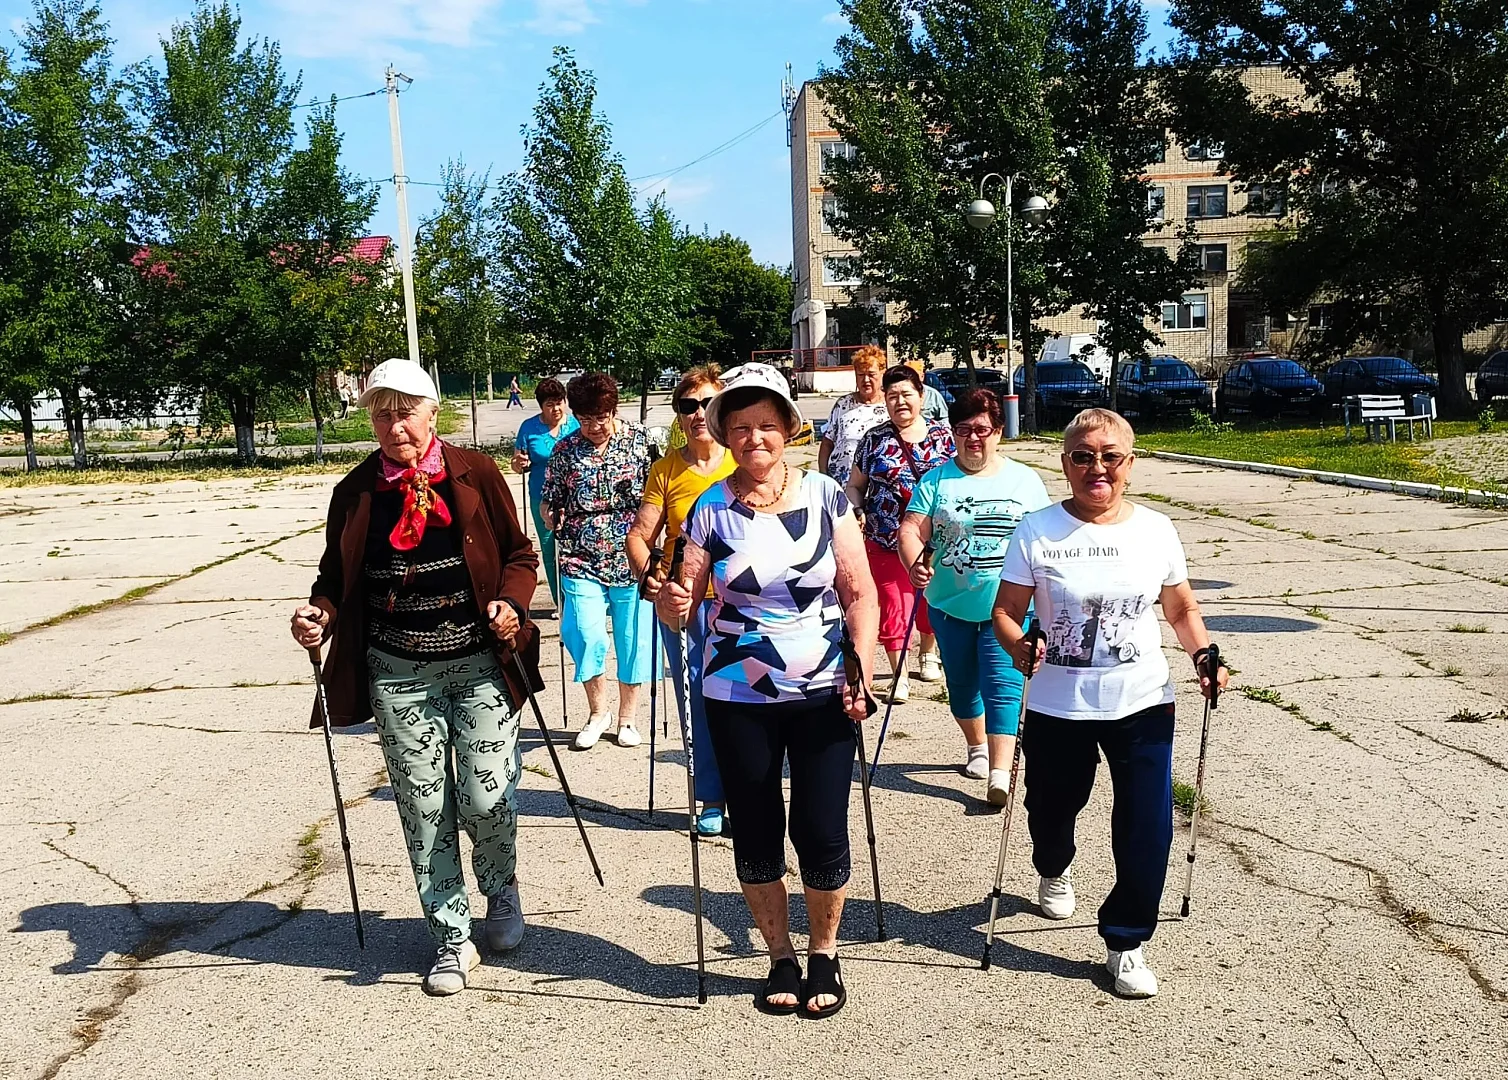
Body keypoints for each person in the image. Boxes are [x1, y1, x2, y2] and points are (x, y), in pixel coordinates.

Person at [289, 358, 540, 997]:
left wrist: (511, 603)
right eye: (382, 415)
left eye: (406, 413)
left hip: (479, 663)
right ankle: (450, 936)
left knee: (485, 797)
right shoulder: (356, 492)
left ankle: (501, 889)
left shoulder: (474, 471)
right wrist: (319, 615)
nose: (395, 426)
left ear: (432, 413)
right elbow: (333, 579)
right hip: (398, 672)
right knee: (424, 806)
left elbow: (519, 554)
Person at [657, 363, 878, 1019]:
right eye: (740, 427)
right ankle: (780, 954)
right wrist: (672, 602)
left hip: (824, 687)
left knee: (820, 826)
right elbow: (684, 598)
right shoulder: (709, 508)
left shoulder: (827, 496)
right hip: (737, 693)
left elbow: (859, 593)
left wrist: (862, 669)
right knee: (756, 829)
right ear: (725, 434)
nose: (754, 438)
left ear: (788, 428)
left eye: (766, 425)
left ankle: (824, 953)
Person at [993, 408, 1228, 1000]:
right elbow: (1005, 611)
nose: (1096, 468)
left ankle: (1126, 939)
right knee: (1051, 810)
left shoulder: (1156, 529)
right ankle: (1052, 865)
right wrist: (1020, 646)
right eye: (1083, 456)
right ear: (1065, 462)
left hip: (1142, 701)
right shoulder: (1037, 530)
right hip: (1058, 705)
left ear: (1130, 463)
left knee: (1148, 823)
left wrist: (1203, 656)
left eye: (1110, 456)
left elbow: (1180, 609)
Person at [898, 388, 1050, 803]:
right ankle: (977, 746)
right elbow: (911, 530)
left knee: (1004, 686)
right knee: (963, 688)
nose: (973, 438)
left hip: (1010, 609)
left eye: (982, 429)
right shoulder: (936, 481)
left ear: (998, 431)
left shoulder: (1025, 481)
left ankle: (1000, 773)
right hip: (950, 608)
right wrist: (914, 564)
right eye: (963, 429)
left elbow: (1044, 537)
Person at [625, 365, 736, 836]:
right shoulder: (666, 470)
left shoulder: (742, 460)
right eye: (688, 406)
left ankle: (749, 793)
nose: (698, 413)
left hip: (743, 601)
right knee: (696, 701)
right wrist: (648, 574)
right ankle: (710, 797)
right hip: (686, 602)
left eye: (707, 403)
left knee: (744, 700)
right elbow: (639, 536)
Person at [540, 372, 657, 750]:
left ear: (614, 410)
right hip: (580, 557)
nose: (593, 427)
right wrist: (549, 514)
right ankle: (597, 712)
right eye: (585, 419)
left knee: (632, 639)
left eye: (601, 418)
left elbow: (658, 493)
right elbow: (548, 498)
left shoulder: (641, 441)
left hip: (631, 558)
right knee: (585, 633)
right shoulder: (565, 450)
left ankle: (627, 718)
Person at [845, 365, 954, 703]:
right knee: (894, 606)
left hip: (934, 542)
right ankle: (899, 674)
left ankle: (928, 653)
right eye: (892, 396)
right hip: (885, 539)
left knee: (929, 601)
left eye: (906, 394)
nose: (900, 402)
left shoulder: (943, 437)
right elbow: (855, 485)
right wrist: (856, 510)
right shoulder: (874, 439)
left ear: (921, 396)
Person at [511, 378, 579, 614]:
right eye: (550, 404)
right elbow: (517, 463)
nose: (556, 409)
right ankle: (561, 602)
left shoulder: (575, 424)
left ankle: (578, 599)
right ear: (541, 406)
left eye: (559, 402)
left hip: (574, 497)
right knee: (550, 550)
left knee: (575, 549)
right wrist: (519, 463)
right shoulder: (529, 428)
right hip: (542, 498)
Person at [817, 344, 887, 482]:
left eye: (871, 374)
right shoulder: (843, 404)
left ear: (882, 373)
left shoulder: (890, 405)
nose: (865, 380)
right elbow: (827, 442)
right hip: (841, 483)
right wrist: (823, 476)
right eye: (860, 375)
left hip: (876, 485)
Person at [905, 358, 949, 424]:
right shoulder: (898, 395)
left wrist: (934, 427)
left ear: (922, 376)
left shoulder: (933, 394)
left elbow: (944, 418)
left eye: (915, 376)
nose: (911, 379)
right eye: (908, 376)